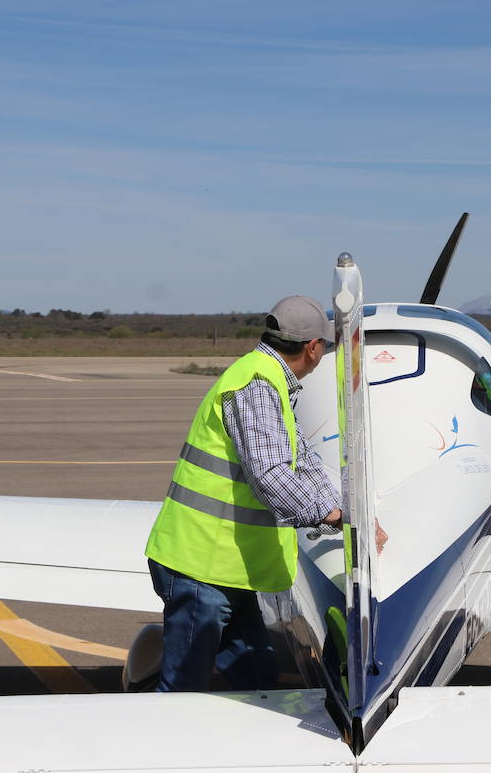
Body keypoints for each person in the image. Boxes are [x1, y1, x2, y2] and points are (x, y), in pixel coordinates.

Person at [144, 295, 344, 692]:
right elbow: (271, 475)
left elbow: (301, 460)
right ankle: (158, 749)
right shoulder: (256, 385)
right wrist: (332, 516)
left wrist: (342, 508)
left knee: (258, 680)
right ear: (313, 347)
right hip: (200, 566)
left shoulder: (270, 382)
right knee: (181, 689)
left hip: (228, 567)